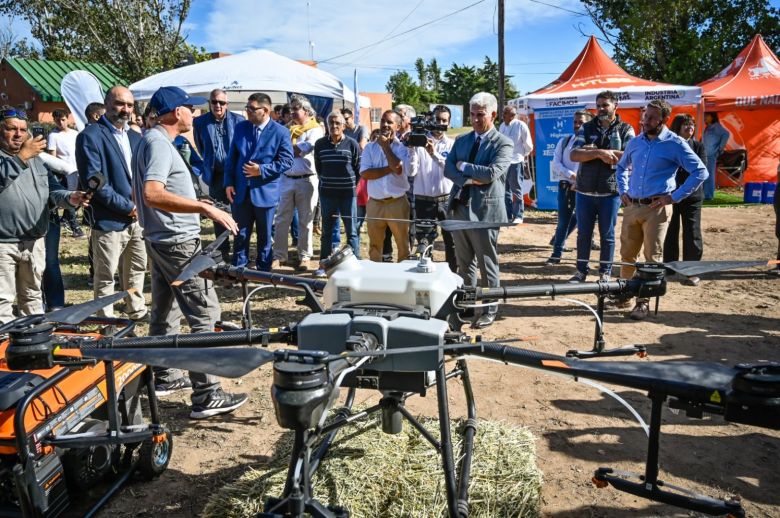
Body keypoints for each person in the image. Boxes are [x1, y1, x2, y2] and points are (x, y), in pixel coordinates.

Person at [133, 86, 247, 419]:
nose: (194, 113)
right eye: (189, 107)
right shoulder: (158, 143)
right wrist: (200, 207)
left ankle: (165, 375)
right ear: (173, 112)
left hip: (162, 238)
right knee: (205, 314)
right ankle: (207, 394)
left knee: (165, 311)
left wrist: (197, 204)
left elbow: (152, 193)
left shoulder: (151, 142)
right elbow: (152, 193)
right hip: (177, 242)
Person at [616, 100, 708, 320]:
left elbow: (701, 172)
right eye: (645, 116)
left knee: (652, 258)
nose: (645, 121)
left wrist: (673, 197)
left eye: (651, 117)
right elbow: (621, 167)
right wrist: (623, 190)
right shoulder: (635, 142)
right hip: (632, 206)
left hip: (656, 210)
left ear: (664, 120)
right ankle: (624, 293)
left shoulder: (675, 143)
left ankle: (643, 302)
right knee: (627, 254)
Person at [0, 107, 89, 323]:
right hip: (3, 245)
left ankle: (32, 350)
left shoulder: (36, 159)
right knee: (2, 303)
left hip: (34, 242)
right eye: (11, 129)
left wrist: (70, 197)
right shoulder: (22, 156)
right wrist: (22, 157)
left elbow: (52, 189)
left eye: (23, 129)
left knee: (32, 299)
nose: (19, 134)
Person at [76, 86, 148, 322]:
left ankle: (135, 311)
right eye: (119, 104)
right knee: (106, 275)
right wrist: (128, 207)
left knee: (136, 271)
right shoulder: (90, 136)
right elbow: (95, 182)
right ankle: (105, 320)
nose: (125, 109)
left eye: (129, 105)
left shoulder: (136, 137)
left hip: (138, 220)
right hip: (109, 219)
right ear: (107, 104)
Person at [444, 92, 512, 329]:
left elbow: (491, 174)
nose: (474, 119)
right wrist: (469, 178)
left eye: (480, 115)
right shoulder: (462, 140)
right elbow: (448, 170)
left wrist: (464, 168)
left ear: (493, 115)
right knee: (465, 264)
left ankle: (490, 309)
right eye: (472, 114)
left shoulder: (503, 142)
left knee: (487, 263)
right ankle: (468, 306)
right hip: (460, 209)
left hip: (485, 213)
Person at [569, 90, 635, 283]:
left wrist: (594, 152)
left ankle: (605, 273)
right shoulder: (587, 127)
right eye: (598, 105)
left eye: (605, 105)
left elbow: (630, 156)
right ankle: (581, 272)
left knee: (607, 235)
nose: (600, 109)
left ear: (616, 106)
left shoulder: (626, 129)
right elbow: (574, 155)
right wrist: (599, 153)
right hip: (585, 190)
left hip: (610, 191)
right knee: (583, 235)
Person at [225, 93, 294, 271]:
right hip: (241, 192)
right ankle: (238, 270)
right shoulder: (241, 128)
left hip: (265, 192)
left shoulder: (281, 132)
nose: (247, 111)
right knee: (240, 234)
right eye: (247, 107)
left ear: (265, 111)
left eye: (252, 108)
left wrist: (261, 170)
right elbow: (232, 158)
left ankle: (263, 273)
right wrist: (229, 182)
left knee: (264, 237)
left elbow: (287, 161)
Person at [272, 95, 324, 271]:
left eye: (296, 109)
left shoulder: (315, 130)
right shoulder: (287, 129)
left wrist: (286, 150)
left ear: (307, 111)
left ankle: (305, 256)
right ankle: (279, 256)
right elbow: (279, 151)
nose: (292, 112)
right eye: (291, 109)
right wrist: (287, 150)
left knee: (305, 220)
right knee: (281, 219)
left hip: (306, 180)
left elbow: (303, 149)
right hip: (286, 179)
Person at [193, 89, 245, 262]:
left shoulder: (239, 121)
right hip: (215, 176)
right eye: (214, 102)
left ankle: (239, 253)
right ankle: (222, 253)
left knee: (239, 214)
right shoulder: (200, 122)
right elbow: (201, 148)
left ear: (227, 104)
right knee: (218, 214)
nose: (218, 106)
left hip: (236, 177)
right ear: (209, 103)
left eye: (221, 103)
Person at [408, 104, 456, 271]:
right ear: (430, 120)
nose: (440, 123)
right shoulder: (419, 140)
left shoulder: (452, 144)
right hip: (423, 200)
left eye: (444, 120)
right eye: (437, 119)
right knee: (424, 243)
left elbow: (451, 170)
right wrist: (412, 149)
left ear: (449, 123)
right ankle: (425, 277)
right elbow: (411, 171)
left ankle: (453, 276)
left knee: (452, 242)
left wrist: (433, 153)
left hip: (447, 199)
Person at [313, 111, 361, 276]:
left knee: (352, 231)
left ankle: (355, 264)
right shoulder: (320, 144)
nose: (334, 126)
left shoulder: (352, 144)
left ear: (344, 125)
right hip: (327, 194)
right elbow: (319, 167)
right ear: (327, 125)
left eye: (337, 123)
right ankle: (323, 265)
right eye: (331, 123)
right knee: (327, 232)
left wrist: (352, 186)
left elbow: (358, 168)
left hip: (348, 194)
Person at [360, 110, 411, 262]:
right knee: (375, 245)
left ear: (398, 125)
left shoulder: (402, 148)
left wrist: (385, 147)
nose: (385, 125)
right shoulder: (370, 147)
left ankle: (403, 279)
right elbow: (366, 174)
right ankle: (376, 278)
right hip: (375, 203)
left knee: (403, 244)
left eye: (389, 122)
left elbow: (400, 169)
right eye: (383, 121)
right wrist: (391, 168)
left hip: (397, 202)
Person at [662, 114, 708, 286]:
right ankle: (670, 267)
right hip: (671, 196)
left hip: (692, 197)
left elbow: (700, 171)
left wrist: (683, 189)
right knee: (670, 231)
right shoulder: (669, 146)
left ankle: (692, 270)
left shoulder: (698, 146)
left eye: (692, 125)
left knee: (692, 233)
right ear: (677, 127)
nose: (690, 128)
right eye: (686, 125)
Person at [547, 110, 593, 264]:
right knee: (563, 221)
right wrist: (572, 176)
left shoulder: (593, 145)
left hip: (586, 188)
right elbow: (556, 163)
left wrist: (580, 181)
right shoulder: (565, 141)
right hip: (566, 186)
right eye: (575, 122)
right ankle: (556, 254)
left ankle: (582, 261)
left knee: (583, 221)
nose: (577, 125)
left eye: (581, 122)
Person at [48, 108, 85, 238]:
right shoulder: (53, 136)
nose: (60, 122)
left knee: (79, 199)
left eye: (63, 119)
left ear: (68, 119)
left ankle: (66, 219)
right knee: (71, 197)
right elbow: (52, 156)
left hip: (78, 170)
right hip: (64, 172)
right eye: (57, 120)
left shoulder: (75, 134)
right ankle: (75, 227)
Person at [498, 105, 533, 224]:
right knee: (505, 189)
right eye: (503, 113)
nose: (502, 116)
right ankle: (507, 214)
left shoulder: (520, 125)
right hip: (503, 162)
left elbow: (528, 145)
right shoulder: (502, 126)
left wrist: (522, 157)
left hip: (516, 161)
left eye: (505, 113)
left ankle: (518, 215)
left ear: (512, 115)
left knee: (516, 189)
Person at [702, 112, 730, 201]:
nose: (705, 117)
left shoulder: (716, 127)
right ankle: (705, 194)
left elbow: (726, 134)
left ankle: (708, 196)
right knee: (703, 174)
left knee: (709, 175)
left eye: (707, 115)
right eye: (704, 115)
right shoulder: (708, 127)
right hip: (704, 154)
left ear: (712, 116)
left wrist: (719, 149)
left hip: (710, 155)